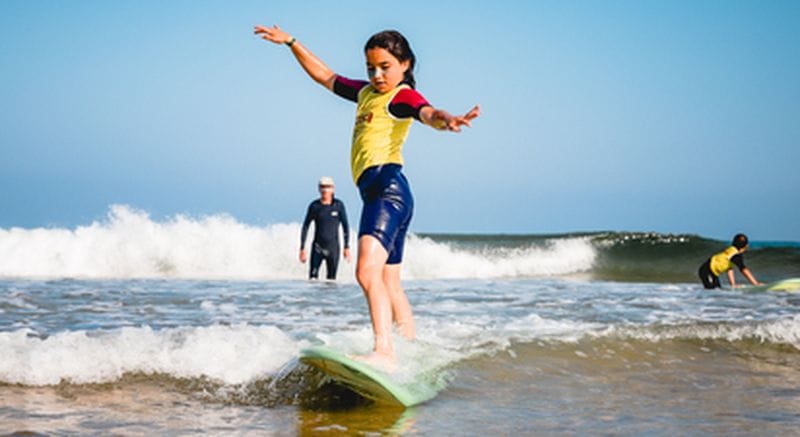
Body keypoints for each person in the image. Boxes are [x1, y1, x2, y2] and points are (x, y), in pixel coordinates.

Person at [255, 24, 479, 368]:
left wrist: (446, 119)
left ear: (404, 64)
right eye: (370, 67)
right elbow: (326, 76)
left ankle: (384, 351)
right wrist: (292, 43)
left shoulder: (401, 95)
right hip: (388, 194)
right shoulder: (365, 94)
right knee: (389, 280)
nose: (377, 74)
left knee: (365, 272)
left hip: (387, 190)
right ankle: (409, 349)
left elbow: (427, 112)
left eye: (385, 67)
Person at [300, 176, 351, 280]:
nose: (325, 190)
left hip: (333, 249)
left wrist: (346, 247)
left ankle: (328, 298)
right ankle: (313, 297)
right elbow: (306, 226)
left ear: (333, 189)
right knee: (313, 279)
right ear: (319, 189)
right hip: (317, 248)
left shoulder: (338, 205)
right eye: (322, 187)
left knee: (331, 281)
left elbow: (345, 226)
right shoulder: (314, 206)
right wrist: (302, 248)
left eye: (328, 187)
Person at [698, 233, 763, 289]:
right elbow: (744, 270)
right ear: (746, 246)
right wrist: (755, 283)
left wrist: (733, 284)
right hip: (707, 271)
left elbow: (729, 268)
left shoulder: (731, 250)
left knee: (717, 291)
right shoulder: (736, 255)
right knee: (712, 290)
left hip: (710, 272)